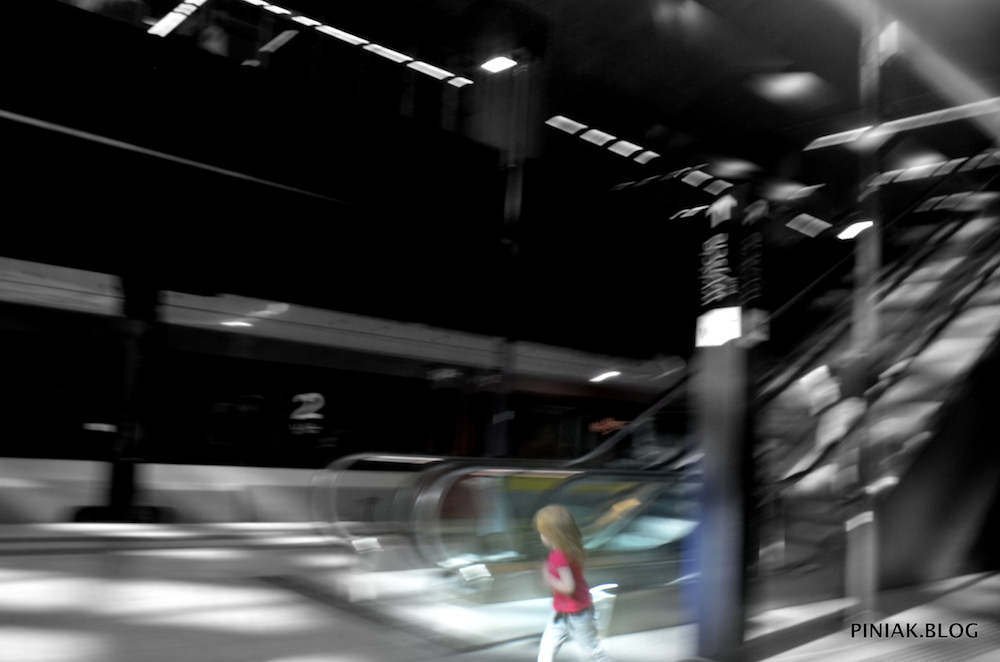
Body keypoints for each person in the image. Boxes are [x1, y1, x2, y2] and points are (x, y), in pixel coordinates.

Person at [534, 504, 614, 662]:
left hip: (578, 613)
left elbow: (568, 587)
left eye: (542, 532)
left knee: (593, 653)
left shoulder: (559, 555)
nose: (541, 536)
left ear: (551, 534)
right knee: (547, 648)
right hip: (561, 612)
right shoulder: (569, 550)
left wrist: (548, 577)